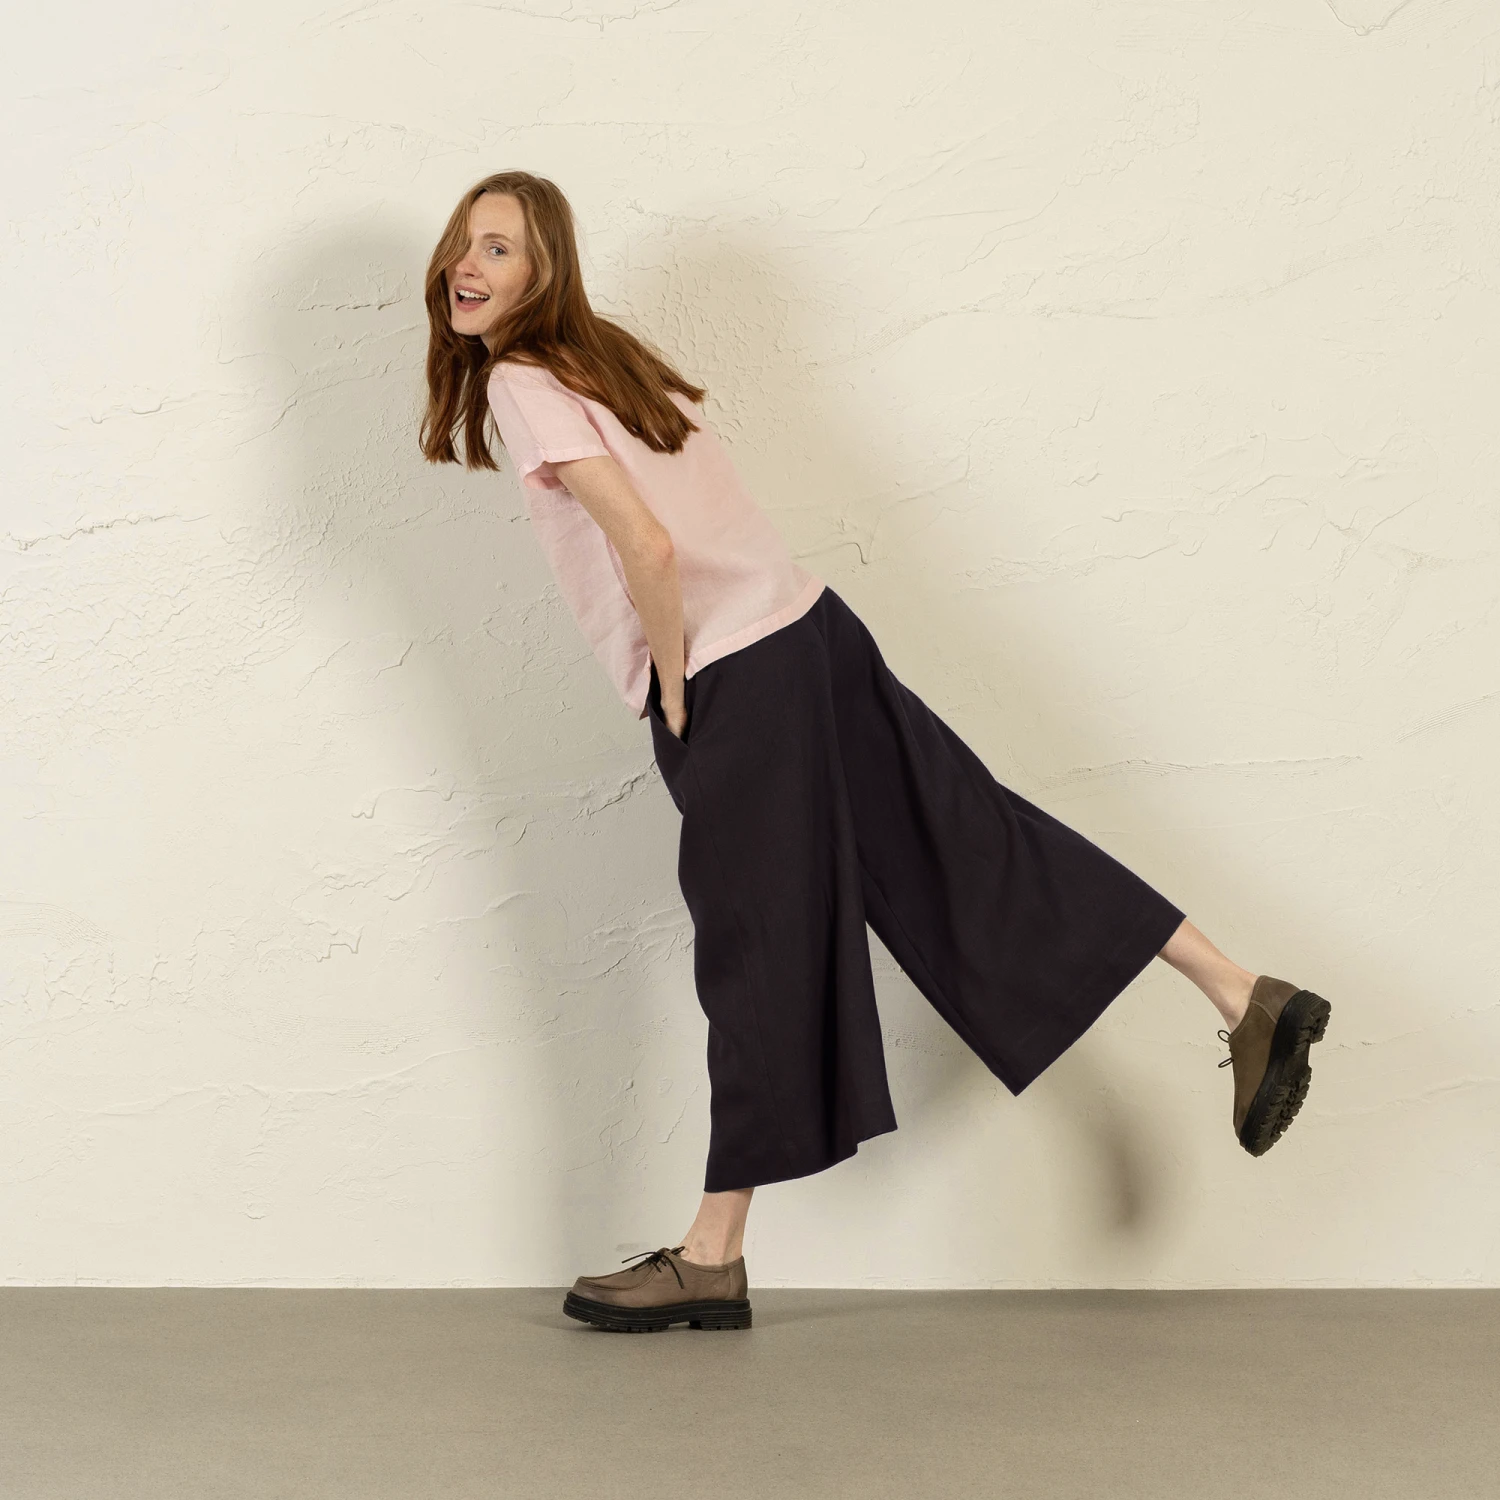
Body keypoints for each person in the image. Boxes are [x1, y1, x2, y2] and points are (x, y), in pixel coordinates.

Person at [419, 170, 1333, 1335]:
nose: (469, 264)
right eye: (464, 243)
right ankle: (1242, 990)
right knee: (967, 837)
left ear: (544, 271)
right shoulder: (611, 360)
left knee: (757, 944)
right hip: (813, 634)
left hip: (737, 677)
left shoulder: (523, 378)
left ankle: (710, 1258)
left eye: (500, 247)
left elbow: (646, 544)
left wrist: (674, 684)